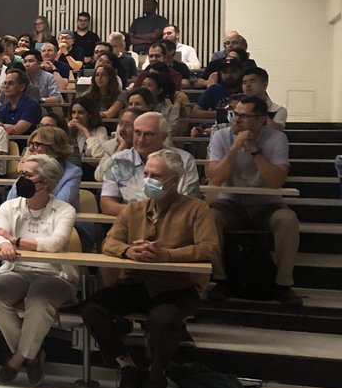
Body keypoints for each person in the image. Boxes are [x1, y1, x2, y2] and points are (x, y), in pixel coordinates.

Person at [81, 149, 218, 388]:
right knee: (92, 309)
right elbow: (110, 242)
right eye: (146, 174)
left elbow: (209, 248)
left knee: (162, 320)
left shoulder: (197, 209)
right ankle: (127, 366)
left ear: (174, 180)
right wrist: (128, 250)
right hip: (136, 283)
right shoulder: (133, 210)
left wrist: (167, 255)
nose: (148, 180)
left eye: (155, 176)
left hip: (177, 288)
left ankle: (157, 374)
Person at [0, 154, 78, 387]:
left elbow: (54, 244)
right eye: (20, 174)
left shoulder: (65, 210)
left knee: (39, 299)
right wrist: (2, 243)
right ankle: (32, 355)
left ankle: (16, 359)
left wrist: (13, 241)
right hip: (16, 269)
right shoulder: (8, 206)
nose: (20, 179)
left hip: (54, 273)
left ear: (45, 181)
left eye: (27, 175)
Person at [206, 95, 301, 305]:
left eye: (243, 116)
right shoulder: (221, 136)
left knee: (288, 220)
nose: (236, 120)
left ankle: (283, 284)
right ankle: (221, 280)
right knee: (209, 217)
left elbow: (275, 181)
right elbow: (215, 178)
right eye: (235, 114)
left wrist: (255, 151)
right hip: (230, 203)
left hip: (266, 204)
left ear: (260, 119)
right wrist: (233, 149)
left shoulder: (277, 139)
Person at [100, 112, 200, 216]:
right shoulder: (118, 160)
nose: (141, 140)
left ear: (163, 137)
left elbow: (191, 204)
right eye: (137, 133)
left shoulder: (184, 160)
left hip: (175, 224)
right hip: (133, 224)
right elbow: (107, 205)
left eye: (148, 134)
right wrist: (144, 213)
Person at [68, 96, 116, 164]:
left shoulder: (100, 130)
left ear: (90, 114)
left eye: (80, 112)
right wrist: (66, 131)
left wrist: (85, 131)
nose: (76, 116)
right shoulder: (69, 129)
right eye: (73, 112)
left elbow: (100, 154)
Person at [0, 67, 42, 135]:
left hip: (26, 144)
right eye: (5, 83)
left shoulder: (31, 105)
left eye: (10, 83)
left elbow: (17, 130)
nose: (6, 86)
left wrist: (1, 126)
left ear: (22, 87)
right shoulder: (3, 108)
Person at [241, 65, 287, 130]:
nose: (247, 85)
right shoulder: (236, 106)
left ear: (265, 84)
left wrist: (260, 111)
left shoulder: (278, 110)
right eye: (244, 82)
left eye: (252, 81)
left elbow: (276, 131)